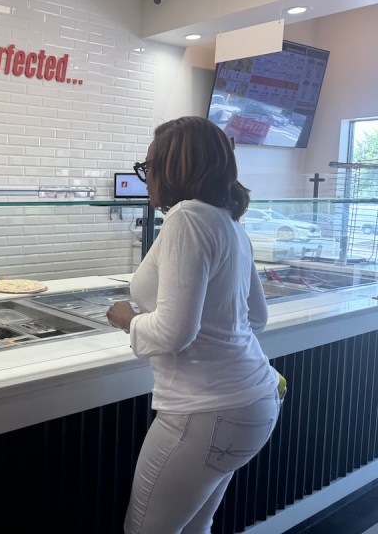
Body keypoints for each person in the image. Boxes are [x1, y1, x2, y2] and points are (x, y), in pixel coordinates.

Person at [106, 116, 285, 534]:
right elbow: (255, 317)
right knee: (194, 527)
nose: (146, 177)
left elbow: (174, 332)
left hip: (205, 412)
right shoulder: (229, 223)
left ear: (174, 166)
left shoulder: (186, 217)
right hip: (255, 400)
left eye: (149, 166)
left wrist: (128, 319)